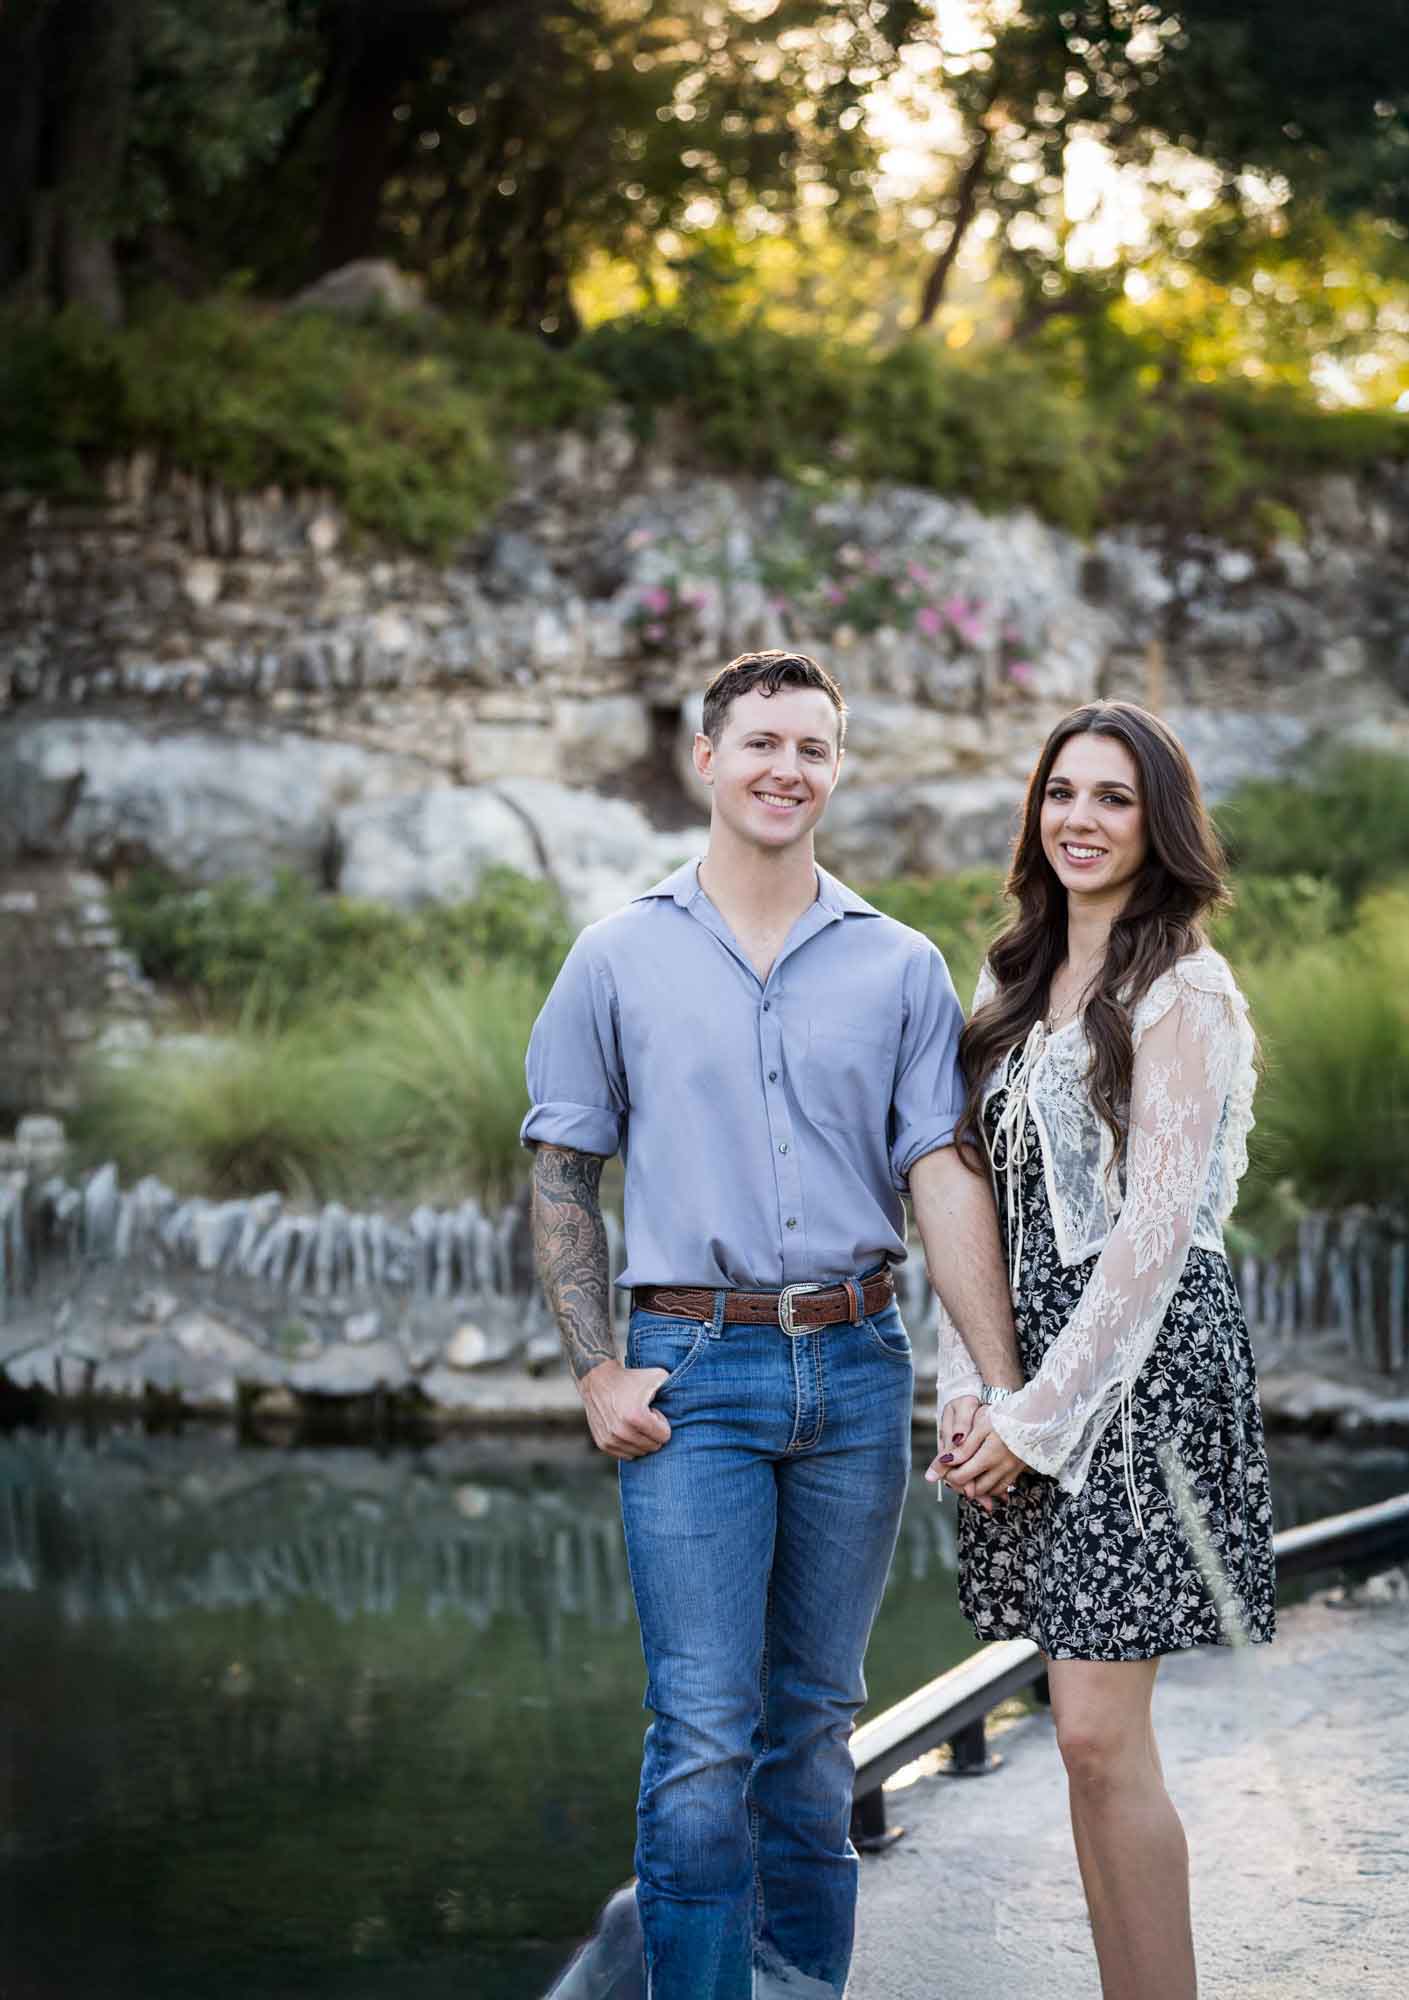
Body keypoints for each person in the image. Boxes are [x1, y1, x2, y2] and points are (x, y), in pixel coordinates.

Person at [522, 650, 1021, 2000]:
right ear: (705, 758)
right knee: (699, 1730)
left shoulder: (900, 965)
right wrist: (592, 1373)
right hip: (689, 1373)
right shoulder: (615, 954)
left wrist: (989, 1377)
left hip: (855, 1369)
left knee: (812, 1726)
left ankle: (800, 1986)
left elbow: (939, 1175)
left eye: (811, 747)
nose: (784, 769)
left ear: (835, 769)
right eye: (759, 743)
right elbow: (564, 1171)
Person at [928, 700, 1276, 2000]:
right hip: (1029, 1368)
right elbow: (966, 1198)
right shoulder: (1008, 978)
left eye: (1112, 797)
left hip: (1132, 1384)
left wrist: (1037, 1416)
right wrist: (970, 1390)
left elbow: (1150, 1237)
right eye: (1061, 792)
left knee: (1092, 1733)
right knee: (1080, 1745)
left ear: (1158, 823)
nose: (1079, 817)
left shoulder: (1184, 990)